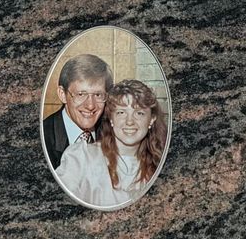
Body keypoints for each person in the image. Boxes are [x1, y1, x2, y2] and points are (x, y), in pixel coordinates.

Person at [54, 79, 168, 210]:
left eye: (139, 113)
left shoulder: (161, 164)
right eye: (121, 112)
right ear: (111, 118)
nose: (129, 121)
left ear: (151, 119)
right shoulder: (81, 157)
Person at [41, 53, 111, 169]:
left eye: (98, 94)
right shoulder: (43, 138)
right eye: (81, 94)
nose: (90, 105)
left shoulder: (115, 133)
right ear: (62, 94)